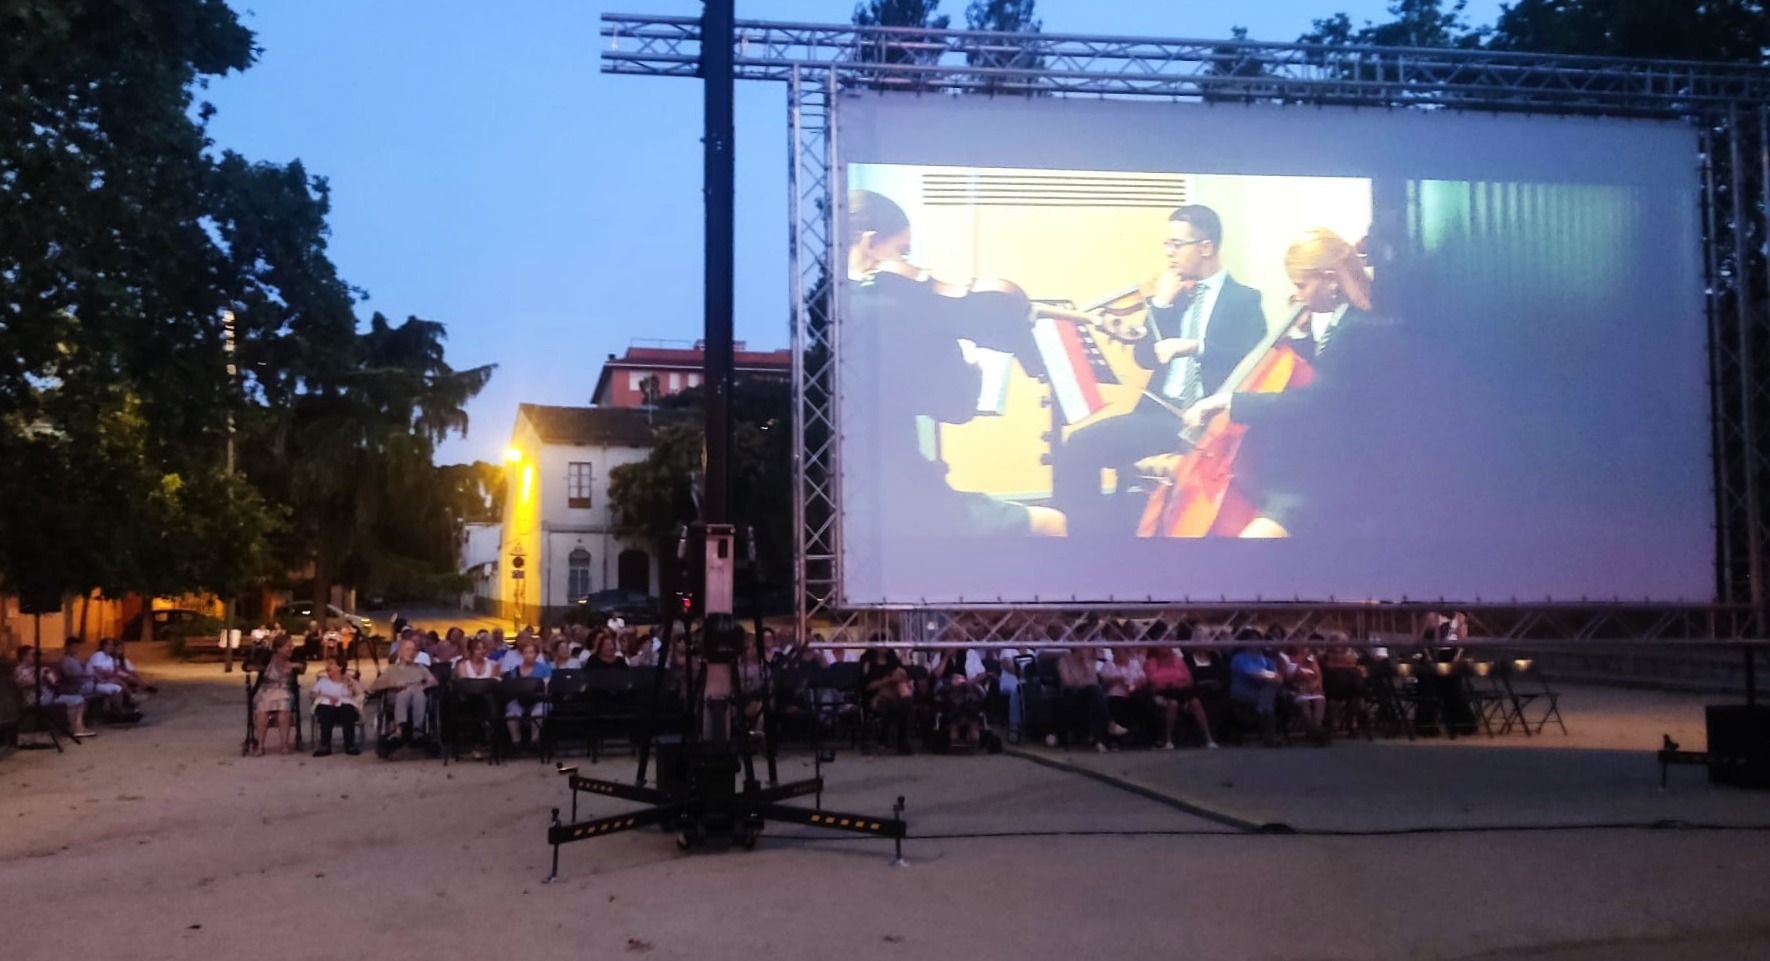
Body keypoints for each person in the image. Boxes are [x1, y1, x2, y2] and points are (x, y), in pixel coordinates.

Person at [844, 188, 1066, 539]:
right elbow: (956, 408)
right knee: (1052, 524)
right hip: (892, 499)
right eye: (902, 251)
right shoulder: (894, 312)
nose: (909, 263)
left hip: (833, 498)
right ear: (869, 244)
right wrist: (972, 366)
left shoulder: (821, 304)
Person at [1053, 204, 1266, 535]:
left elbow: (1254, 359)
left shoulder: (1244, 300)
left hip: (1206, 422)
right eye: (1166, 245)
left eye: (1176, 245)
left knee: (1087, 447)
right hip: (1159, 415)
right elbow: (1145, 357)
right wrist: (1162, 305)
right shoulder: (1176, 295)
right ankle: (1082, 542)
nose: (1169, 254)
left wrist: (1197, 347)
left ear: (1206, 247)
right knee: (1079, 444)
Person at [1180, 227, 1376, 538]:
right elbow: (1323, 373)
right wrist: (1297, 336)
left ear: (1330, 280)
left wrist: (1229, 401)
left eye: (1301, 285)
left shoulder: (1359, 328)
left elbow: (1318, 399)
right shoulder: (1345, 321)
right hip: (1319, 459)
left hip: (1342, 473)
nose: (1297, 295)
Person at [1143, 645, 1217, 750]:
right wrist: (1170, 682)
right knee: (1173, 703)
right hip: (1161, 694)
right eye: (1163, 646)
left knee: (1195, 701)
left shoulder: (1178, 661)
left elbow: (1189, 680)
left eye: (1168, 646)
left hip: (1180, 692)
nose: (1167, 649)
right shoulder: (1151, 663)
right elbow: (1153, 682)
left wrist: (1178, 683)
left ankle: (1209, 739)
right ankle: (1168, 740)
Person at [14, 644, 95, 738]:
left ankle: (78, 727)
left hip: (50, 695)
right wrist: (41, 673)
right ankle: (75, 728)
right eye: (33, 655)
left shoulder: (36, 668)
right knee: (73, 701)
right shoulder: (19, 670)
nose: (35, 657)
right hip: (36, 699)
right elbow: (27, 683)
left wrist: (50, 675)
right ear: (24, 656)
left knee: (78, 699)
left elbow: (54, 682)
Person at [369, 639, 437, 748]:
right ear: (400, 652)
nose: (411, 653)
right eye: (408, 649)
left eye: (414, 650)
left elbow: (433, 681)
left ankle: (414, 730)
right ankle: (401, 728)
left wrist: (423, 686)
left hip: (416, 695)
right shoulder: (392, 669)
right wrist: (392, 683)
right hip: (396, 695)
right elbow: (374, 686)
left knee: (418, 693)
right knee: (404, 693)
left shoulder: (420, 667)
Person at [1052, 647, 1112, 752]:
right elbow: (1068, 682)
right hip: (1071, 697)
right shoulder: (1064, 660)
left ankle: (1099, 738)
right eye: (1086, 649)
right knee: (1094, 693)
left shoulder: (1089, 662)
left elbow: (1095, 683)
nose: (1089, 652)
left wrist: (1087, 667)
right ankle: (1106, 731)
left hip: (1088, 697)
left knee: (1096, 694)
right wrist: (1084, 681)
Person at [858, 642, 913, 754]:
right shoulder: (869, 664)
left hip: (895, 695)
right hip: (875, 696)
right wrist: (888, 680)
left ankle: (902, 741)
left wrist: (900, 678)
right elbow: (868, 686)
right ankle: (884, 739)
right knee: (886, 705)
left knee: (906, 705)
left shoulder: (894, 663)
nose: (884, 645)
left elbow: (903, 678)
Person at [250, 635, 300, 755]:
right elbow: (248, 665)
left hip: (284, 689)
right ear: (279, 648)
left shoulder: (293, 656)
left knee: (283, 711)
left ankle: (284, 745)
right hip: (266, 689)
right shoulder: (267, 657)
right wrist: (258, 667)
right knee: (262, 712)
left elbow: (302, 666)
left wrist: (293, 665)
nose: (291, 648)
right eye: (288, 646)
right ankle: (260, 746)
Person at [1230, 640, 1284, 747]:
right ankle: (1270, 738)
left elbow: (1280, 679)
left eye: (1258, 639)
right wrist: (1269, 677)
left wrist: (1268, 677)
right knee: (1269, 694)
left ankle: (1262, 709)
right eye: (1252, 639)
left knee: (1270, 691)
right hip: (1244, 691)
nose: (1256, 642)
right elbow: (1252, 674)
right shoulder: (1239, 658)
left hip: (1263, 693)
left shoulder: (1268, 660)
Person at [503, 640, 553, 749]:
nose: (528, 655)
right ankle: (516, 742)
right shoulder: (515, 671)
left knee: (538, 713)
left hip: (539, 700)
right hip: (520, 700)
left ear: (536, 654)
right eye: (526, 652)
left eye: (531, 652)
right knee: (511, 713)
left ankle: (535, 741)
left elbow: (547, 687)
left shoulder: (545, 668)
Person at [311, 659, 364, 756]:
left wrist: (352, 685)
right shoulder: (323, 681)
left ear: (340, 667)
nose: (327, 666)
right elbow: (312, 694)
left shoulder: (349, 681)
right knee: (326, 709)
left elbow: (361, 695)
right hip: (327, 708)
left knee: (347, 709)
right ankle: (325, 746)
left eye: (331, 664)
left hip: (344, 709)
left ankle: (349, 745)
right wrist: (327, 697)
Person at [1282, 643, 1329, 744]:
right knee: (1305, 703)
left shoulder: (1310, 657)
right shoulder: (1286, 658)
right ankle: (1315, 733)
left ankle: (1315, 731)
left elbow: (1318, 674)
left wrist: (1316, 684)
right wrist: (1297, 673)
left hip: (1313, 686)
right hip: (1297, 687)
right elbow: (1286, 678)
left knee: (1319, 701)